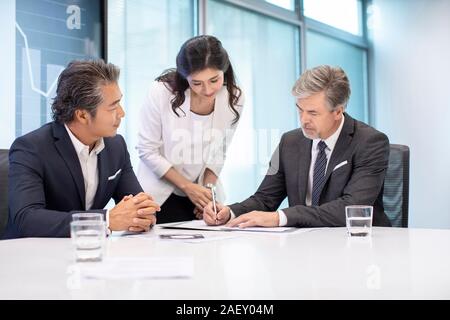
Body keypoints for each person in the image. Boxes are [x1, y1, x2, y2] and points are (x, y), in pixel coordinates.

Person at [203, 65, 392, 228]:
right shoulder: (290, 142)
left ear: (338, 111)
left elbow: (352, 208)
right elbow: (265, 198)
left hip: (359, 246)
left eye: (313, 113)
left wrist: (281, 217)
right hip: (303, 244)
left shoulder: (370, 142)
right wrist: (230, 212)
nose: (303, 120)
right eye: (300, 110)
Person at [4, 59, 160, 239]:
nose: (122, 113)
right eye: (113, 107)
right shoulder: (31, 148)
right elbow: (27, 219)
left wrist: (143, 213)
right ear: (82, 115)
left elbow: (137, 206)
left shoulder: (116, 146)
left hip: (89, 253)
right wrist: (105, 220)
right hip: (30, 255)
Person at [136, 35, 244, 224]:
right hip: (159, 194)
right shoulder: (161, 92)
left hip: (199, 195)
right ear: (185, 77)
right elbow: (147, 150)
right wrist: (187, 187)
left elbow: (219, 152)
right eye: (196, 83)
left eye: (214, 80)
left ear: (224, 71)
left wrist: (207, 193)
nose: (208, 90)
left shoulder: (234, 98)